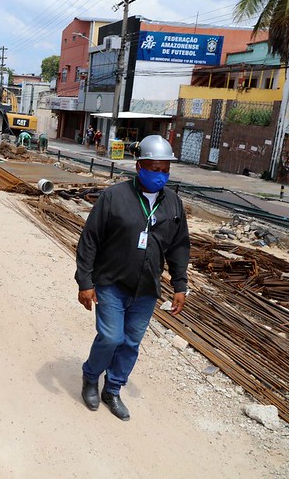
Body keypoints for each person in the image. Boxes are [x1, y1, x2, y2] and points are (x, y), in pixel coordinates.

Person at [75, 134, 189, 421]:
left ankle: (112, 389)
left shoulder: (173, 204)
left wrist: (180, 284)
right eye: (155, 169)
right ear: (139, 167)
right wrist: (85, 282)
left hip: (147, 287)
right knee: (111, 336)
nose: (160, 175)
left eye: (165, 170)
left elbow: (179, 247)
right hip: (111, 282)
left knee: (130, 343)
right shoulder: (114, 197)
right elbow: (90, 240)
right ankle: (91, 377)